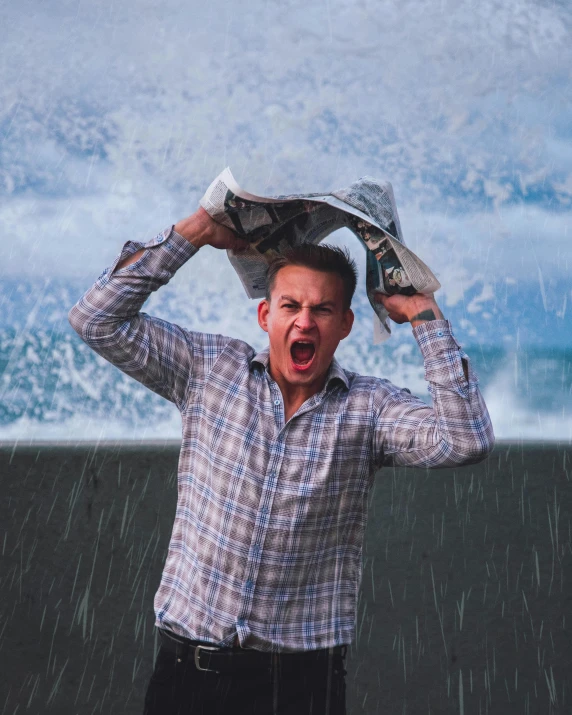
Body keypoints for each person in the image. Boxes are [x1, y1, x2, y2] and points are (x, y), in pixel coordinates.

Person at [68, 205, 494, 714]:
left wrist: (425, 317)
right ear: (266, 315)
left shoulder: (369, 409)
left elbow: (466, 439)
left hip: (299, 688)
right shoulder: (209, 370)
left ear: (345, 325)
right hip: (188, 677)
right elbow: (95, 318)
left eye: (323, 310)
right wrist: (197, 232)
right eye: (290, 306)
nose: (305, 321)